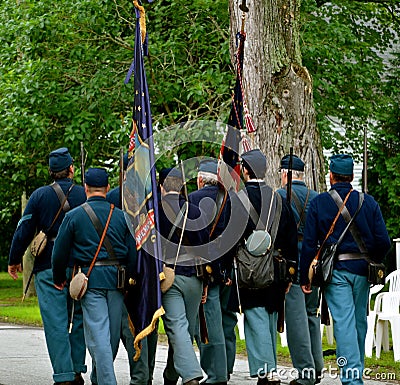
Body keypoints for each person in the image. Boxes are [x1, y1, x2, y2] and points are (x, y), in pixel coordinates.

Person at [300, 154, 391, 385]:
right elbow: (384, 242)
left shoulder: (320, 203)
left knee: (345, 323)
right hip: (362, 270)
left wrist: (305, 276)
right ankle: (355, 372)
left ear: (331, 176)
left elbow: (309, 243)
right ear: (351, 176)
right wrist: (372, 261)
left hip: (336, 270)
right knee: (359, 321)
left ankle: (352, 379)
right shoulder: (368, 202)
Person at [8, 147, 87, 385]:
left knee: (56, 323)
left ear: (51, 171)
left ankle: (63, 376)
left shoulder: (39, 195)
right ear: (72, 169)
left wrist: (14, 259)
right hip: (79, 267)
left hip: (48, 267)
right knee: (81, 318)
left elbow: (24, 231)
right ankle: (76, 369)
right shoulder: (84, 194)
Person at [52, 167, 137, 385]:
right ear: (107, 188)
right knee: (108, 336)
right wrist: (131, 280)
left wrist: (59, 276)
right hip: (117, 280)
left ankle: (103, 379)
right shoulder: (122, 217)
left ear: (86, 188)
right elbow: (132, 253)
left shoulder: (73, 216)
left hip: (91, 279)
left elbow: (59, 252)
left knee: (101, 334)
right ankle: (104, 379)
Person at [231, 149, 298, 385]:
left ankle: (267, 371)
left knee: (256, 316)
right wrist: (291, 273)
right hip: (277, 268)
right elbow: (291, 238)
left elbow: (230, 238)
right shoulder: (280, 199)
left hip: (248, 268)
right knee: (268, 316)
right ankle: (268, 369)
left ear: (246, 170)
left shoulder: (238, 199)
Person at [106, 153, 159, 385]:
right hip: (143, 269)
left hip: (135, 268)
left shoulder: (118, 197)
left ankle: (140, 377)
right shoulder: (152, 197)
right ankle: (143, 375)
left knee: (139, 326)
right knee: (144, 324)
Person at [159, 167, 209, 385]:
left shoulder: (155, 212)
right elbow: (207, 251)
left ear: (161, 187)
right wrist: (207, 282)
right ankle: (171, 376)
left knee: (178, 329)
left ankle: (190, 375)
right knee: (182, 332)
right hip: (194, 278)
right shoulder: (195, 211)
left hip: (168, 277)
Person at [189, 159, 237, 385]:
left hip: (201, 270)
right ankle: (222, 370)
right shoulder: (230, 201)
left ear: (200, 180)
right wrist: (225, 271)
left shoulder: (192, 200)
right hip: (224, 270)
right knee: (220, 324)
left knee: (208, 326)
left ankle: (216, 375)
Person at [277, 154, 323, 385]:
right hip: (314, 264)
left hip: (291, 265)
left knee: (296, 322)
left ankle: (306, 373)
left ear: (285, 174)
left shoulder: (280, 196)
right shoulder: (317, 198)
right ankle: (316, 367)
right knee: (311, 315)